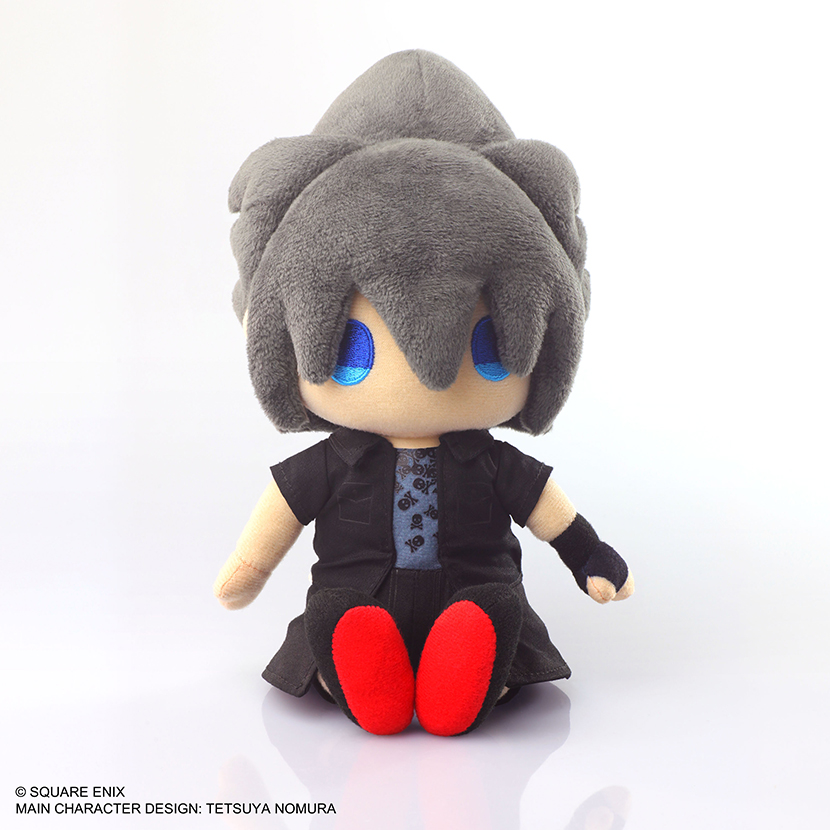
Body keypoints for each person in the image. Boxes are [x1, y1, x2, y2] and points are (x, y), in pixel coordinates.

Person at [213, 50, 633, 736]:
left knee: (491, 611)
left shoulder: (491, 463)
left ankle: (467, 665)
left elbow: (548, 512)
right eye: (353, 351)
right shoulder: (333, 465)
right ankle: (358, 659)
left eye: (487, 346)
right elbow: (279, 515)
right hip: (359, 597)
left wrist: (590, 554)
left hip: (474, 596)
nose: (423, 382)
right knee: (339, 616)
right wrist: (247, 570)